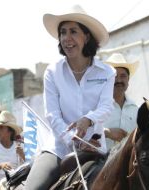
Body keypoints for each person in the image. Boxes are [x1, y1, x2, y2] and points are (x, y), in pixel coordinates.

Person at [25, 5, 116, 190]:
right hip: (58, 149)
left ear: (87, 36)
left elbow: (106, 106)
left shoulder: (107, 72)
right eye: (63, 32)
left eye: (73, 31)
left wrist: (88, 120)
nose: (67, 38)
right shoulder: (52, 72)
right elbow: (52, 115)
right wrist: (74, 140)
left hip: (96, 148)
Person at [103, 53, 139, 150]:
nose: (118, 80)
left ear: (128, 80)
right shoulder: (96, 106)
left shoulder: (136, 110)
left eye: (123, 76)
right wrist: (107, 133)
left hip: (128, 163)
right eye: (114, 76)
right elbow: (82, 133)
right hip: (99, 161)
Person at [0, 110, 25, 190]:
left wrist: (22, 155)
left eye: (1, 127)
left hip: (13, 185)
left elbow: (29, 166)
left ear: (10, 131)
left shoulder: (19, 146)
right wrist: (1, 165)